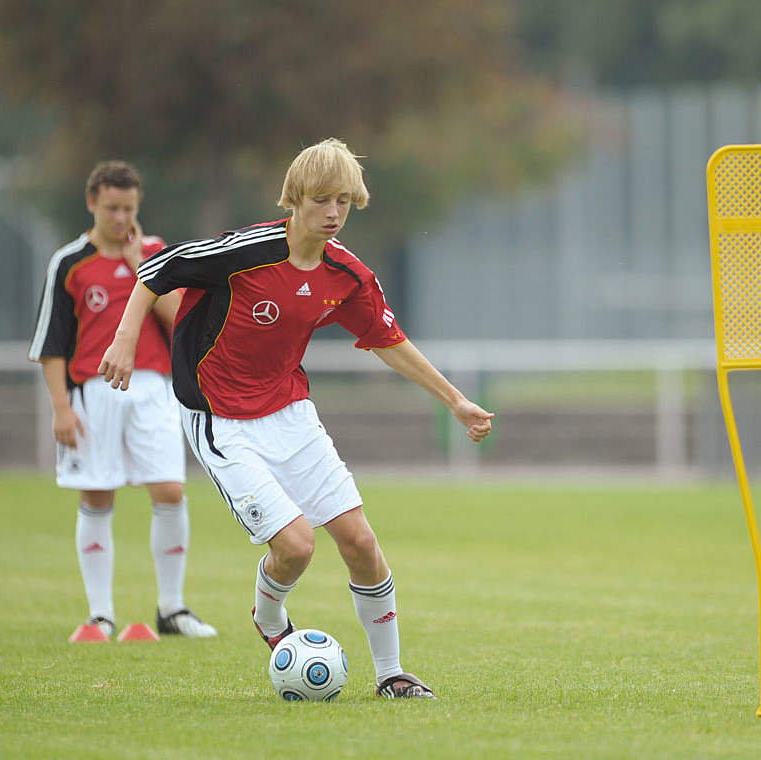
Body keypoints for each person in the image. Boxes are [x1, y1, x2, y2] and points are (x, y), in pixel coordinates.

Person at [98, 138, 493, 698]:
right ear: (295, 200)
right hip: (220, 419)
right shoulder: (247, 251)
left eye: (344, 203)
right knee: (296, 546)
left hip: (290, 412)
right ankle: (269, 615)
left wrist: (454, 400)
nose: (333, 214)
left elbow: (388, 339)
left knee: (360, 541)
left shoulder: (347, 275)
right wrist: (125, 338)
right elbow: (158, 269)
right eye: (322, 201)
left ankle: (391, 675)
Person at [28, 160, 217, 641]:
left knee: (171, 491)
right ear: (92, 203)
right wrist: (60, 408)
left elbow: (182, 322)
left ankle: (172, 609)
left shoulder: (159, 254)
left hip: (155, 389)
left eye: (128, 208)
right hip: (93, 392)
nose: (119, 217)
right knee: (97, 495)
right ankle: (100, 615)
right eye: (111, 208)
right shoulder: (69, 263)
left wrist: (142, 268)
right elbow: (52, 343)